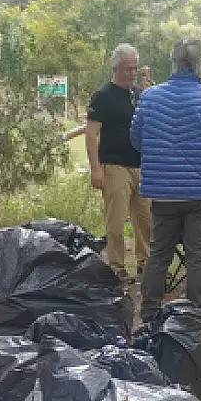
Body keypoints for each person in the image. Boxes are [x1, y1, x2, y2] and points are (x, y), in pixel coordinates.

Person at [132, 39, 201, 321]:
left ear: (173, 62)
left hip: (162, 192)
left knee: (159, 253)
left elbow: (135, 140)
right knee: (198, 257)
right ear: (199, 65)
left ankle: (148, 315)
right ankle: (197, 319)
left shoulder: (150, 97)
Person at [87, 43, 152, 281]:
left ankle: (146, 262)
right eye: (127, 68)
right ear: (115, 68)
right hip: (114, 165)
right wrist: (95, 168)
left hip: (140, 164)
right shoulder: (102, 96)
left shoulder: (139, 94)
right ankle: (116, 266)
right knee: (116, 220)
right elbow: (91, 134)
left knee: (145, 218)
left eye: (135, 68)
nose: (132, 72)